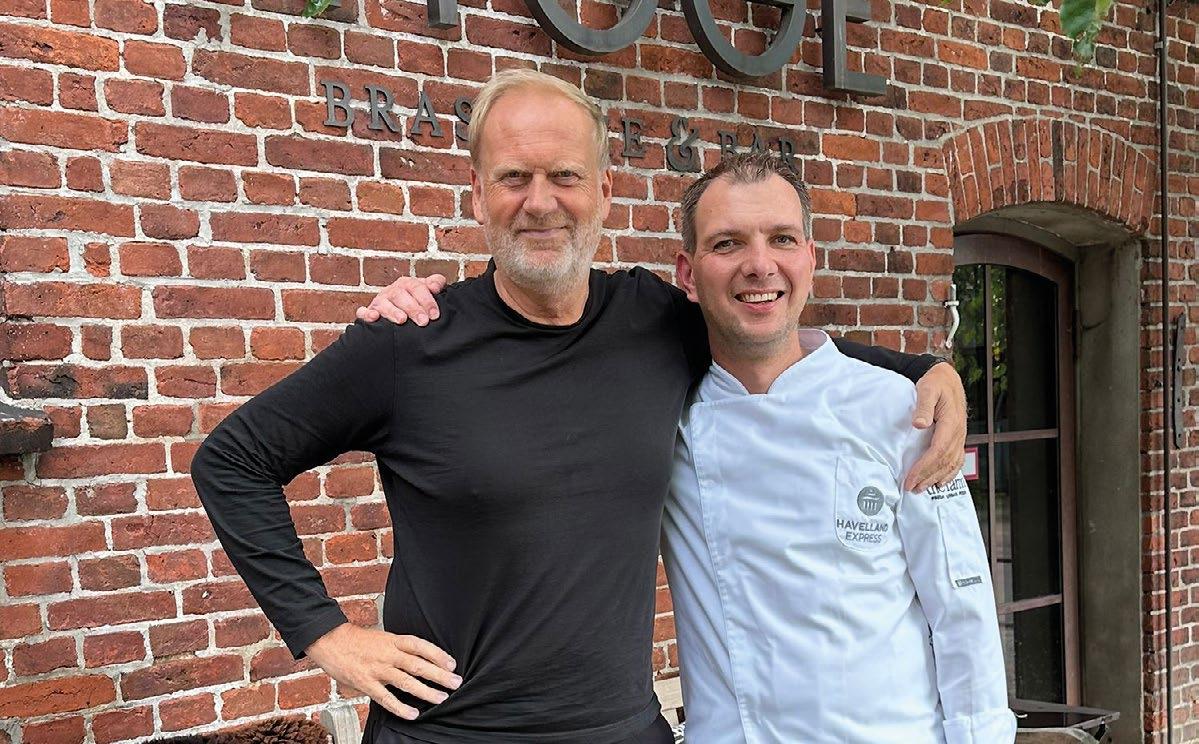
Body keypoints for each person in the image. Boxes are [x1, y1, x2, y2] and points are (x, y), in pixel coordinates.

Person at [191, 69, 967, 744]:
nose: (540, 203)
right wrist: (324, 633)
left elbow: (767, 334)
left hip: (623, 730)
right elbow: (232, 461)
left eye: (563, 175)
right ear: (478, 196)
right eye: (513, 178)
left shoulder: (651, 320)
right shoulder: (409, 343)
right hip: (452, 734)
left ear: (602, 191)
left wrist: (925, 369)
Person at [661, 152, 1015, 742]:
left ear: (810, 259)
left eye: (781, 239)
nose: (759, 265)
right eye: (726, 244)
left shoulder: (901, 409)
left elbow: (962, 608)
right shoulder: (666, 418)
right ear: (688, 275)